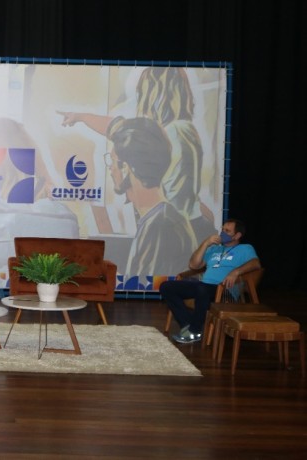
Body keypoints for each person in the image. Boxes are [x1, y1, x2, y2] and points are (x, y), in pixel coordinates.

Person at [59, 67, 215, 242]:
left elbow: (120, 129)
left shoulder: (168, 134)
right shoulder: (185, 130)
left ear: (155, 94)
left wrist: (80, 117)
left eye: (143, 92)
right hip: (188, 224)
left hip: (173, 229)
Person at [107, 117, 196, 287]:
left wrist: (107, 274)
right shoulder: (160, 218)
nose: (110, 168)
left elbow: (145, 287)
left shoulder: (160, 225)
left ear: (126, 167)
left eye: (112, 161)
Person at [160, 218, 261, 344]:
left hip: (224, 289)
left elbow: (256, 264)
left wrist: (236, 272)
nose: (222, 233)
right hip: (203, 286)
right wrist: (206, 243)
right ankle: (188, 325)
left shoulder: (245, 248)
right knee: (166, 287)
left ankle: (195, 331)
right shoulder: (215, 249)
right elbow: (193, 265)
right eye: (222, 229)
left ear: (237, 235)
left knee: (201, 289)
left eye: (227, 231)